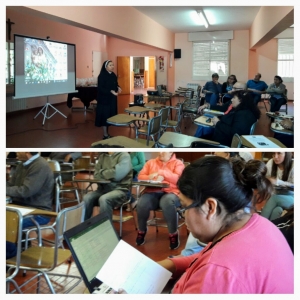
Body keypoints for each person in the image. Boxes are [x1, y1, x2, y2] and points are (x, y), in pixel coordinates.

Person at [156, 156, 293, 293]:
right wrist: (171, 265)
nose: (184, 215)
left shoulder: (217, 274)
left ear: (210, 208)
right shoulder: (257, 225)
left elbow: (215, 268)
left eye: (184, 206)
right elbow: (202, 257)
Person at [136, 152, 185, 250]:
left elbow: (176, 179)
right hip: (152, 191)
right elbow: (140, 176)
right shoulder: (150, 162)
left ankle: (173, 233)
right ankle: (142, 230)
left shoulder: (178, 163)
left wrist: (161, 172)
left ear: (170, 152)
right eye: (160, 150)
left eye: (164, 151)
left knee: (167, 202)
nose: (160, 152)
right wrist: (149, 177)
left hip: (172, 192)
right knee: (141, 203)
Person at [6, 152, 54, 228]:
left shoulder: (40, 165)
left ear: (27, 152)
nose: (16, 152)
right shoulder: (22, 164)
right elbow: (10, 184)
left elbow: (26, 191)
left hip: (38, 211)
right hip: (20, 207)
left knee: (7, 224)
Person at [83, 152, 132, 221]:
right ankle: (84, 227)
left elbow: (117, 175)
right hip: (102, 190)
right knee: (87, 198)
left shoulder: (124, 156)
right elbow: (96, 175)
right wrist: (110, 173)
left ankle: (106, 228)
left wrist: (102, 172)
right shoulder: (102, 156)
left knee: (104, 199)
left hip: (120, 190)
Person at [261, 152, 294, 221]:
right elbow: (265, 178)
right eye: (273, 153)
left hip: (293, 198)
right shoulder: (271, 162)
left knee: (274, 198)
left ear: (287, 154)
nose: (275, 157)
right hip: (278, 195)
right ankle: (270, 230)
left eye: (279, 153)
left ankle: (259, 224)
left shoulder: (294, 165)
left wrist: (278, 181)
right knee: (277, 210)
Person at [95, 60, 122, 140]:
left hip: (111, 100)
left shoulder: (113, 74)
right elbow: (100, 88)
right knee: (104, 117)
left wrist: (118, 87)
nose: (112, 66)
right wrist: (110, 91)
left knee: (109, 116)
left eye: (113, 65)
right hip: (104, 100)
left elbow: (115, 84)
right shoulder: (102, 76)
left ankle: (107, 133)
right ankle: (105, 134)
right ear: (106, 67)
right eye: (110, 65)